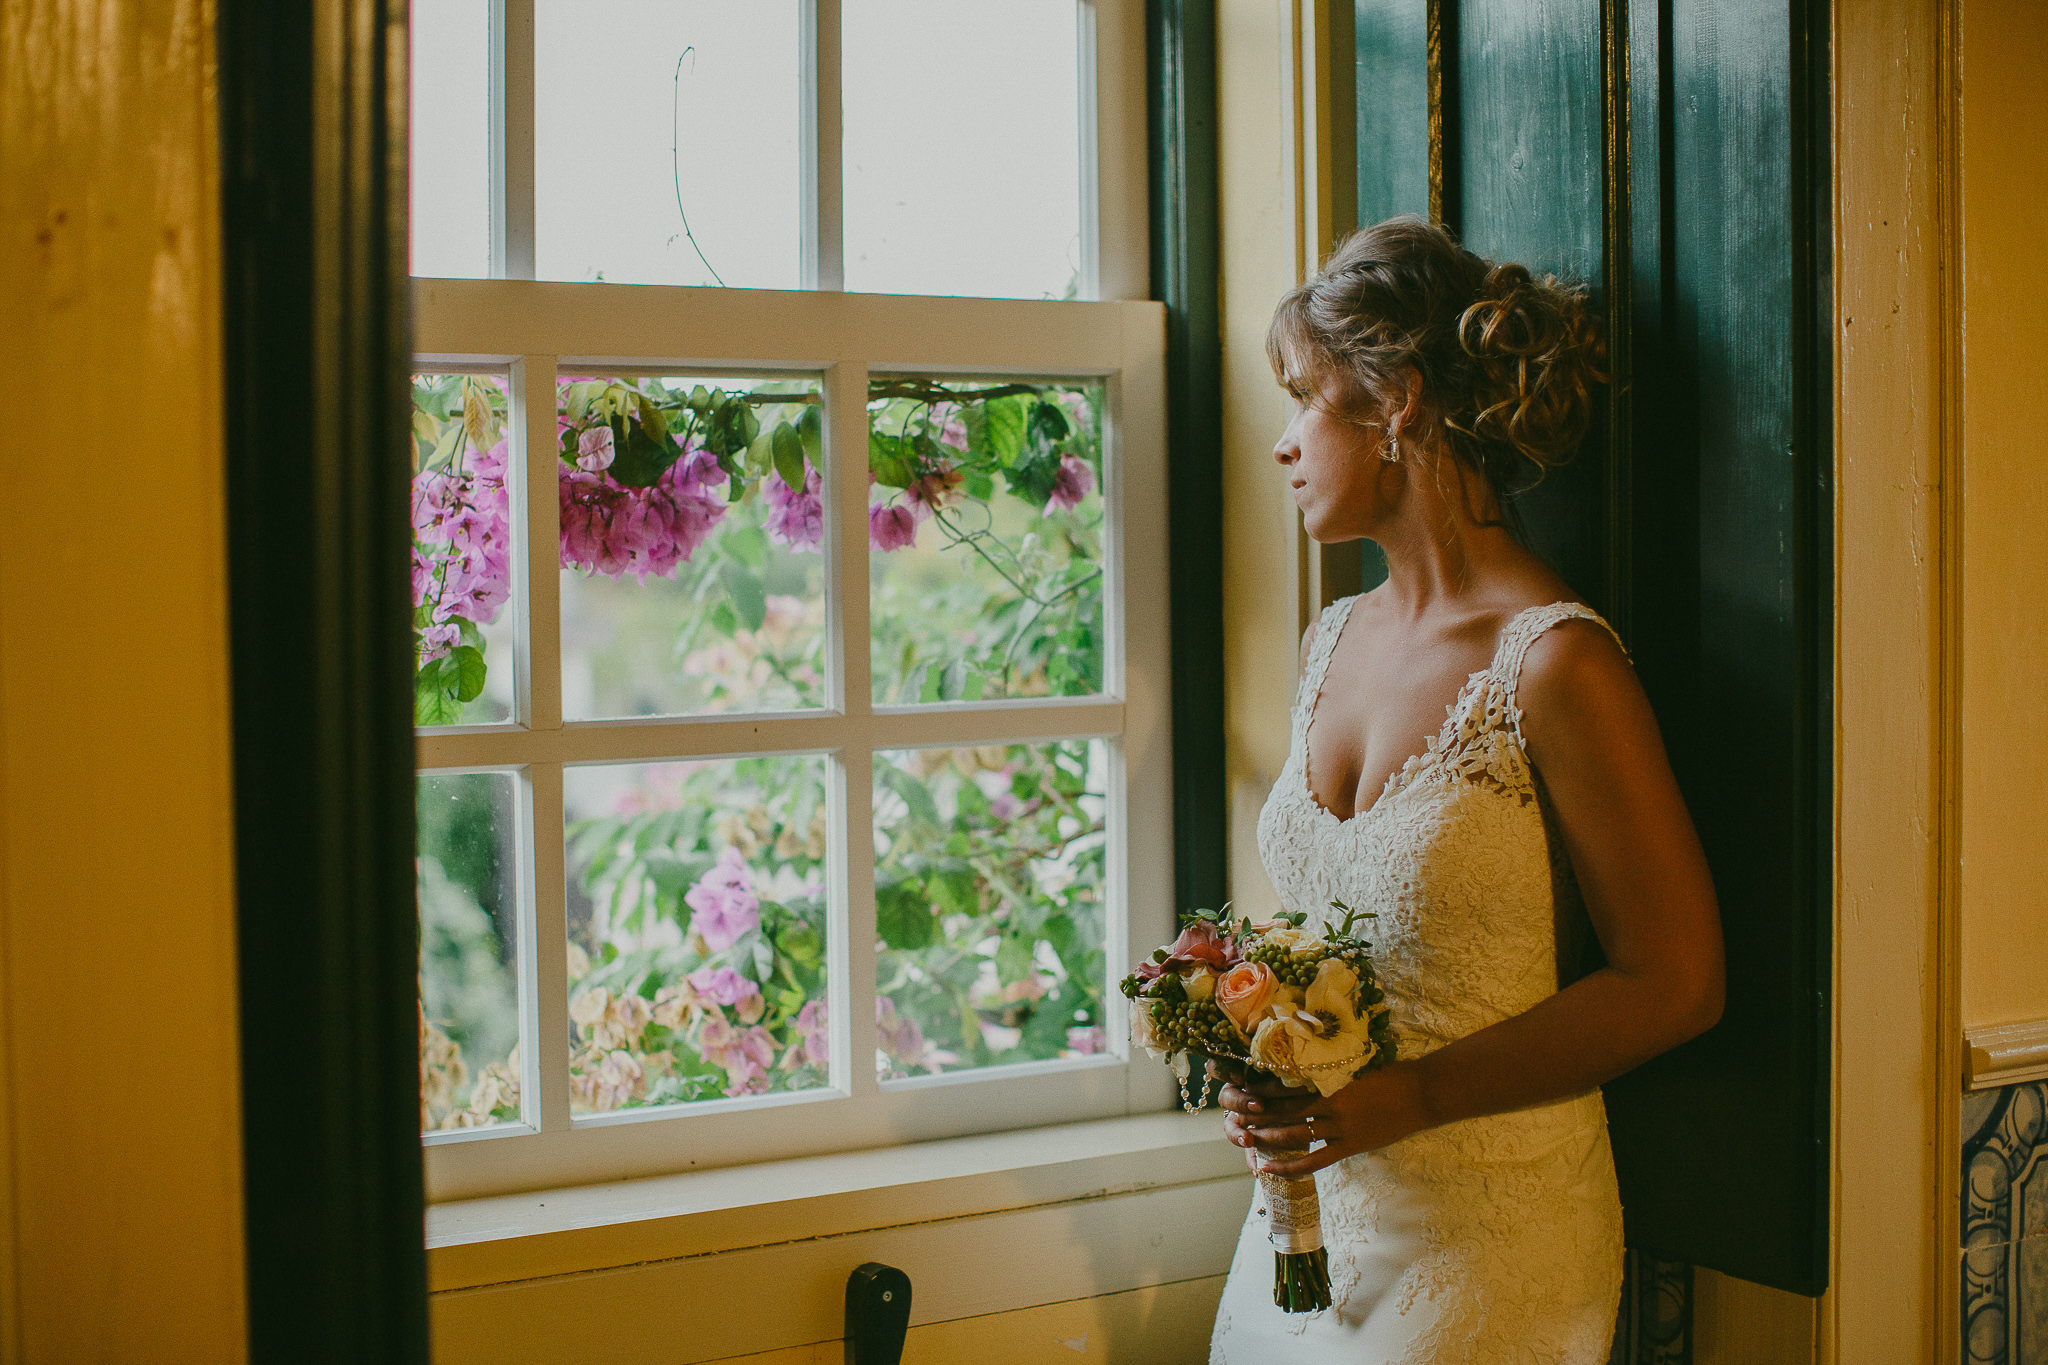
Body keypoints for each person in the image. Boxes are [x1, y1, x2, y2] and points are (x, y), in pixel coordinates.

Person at [1207, 217, 1725, 1362]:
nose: (1284, 443)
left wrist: (1408, 1100)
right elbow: (1331, 935)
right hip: (1301, 1226)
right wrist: (1258, 1035)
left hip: (1486, 1246)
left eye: (1303, 397)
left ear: (1393, 400)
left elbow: (1677, 982)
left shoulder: (1553, 662)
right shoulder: (1329, 639)